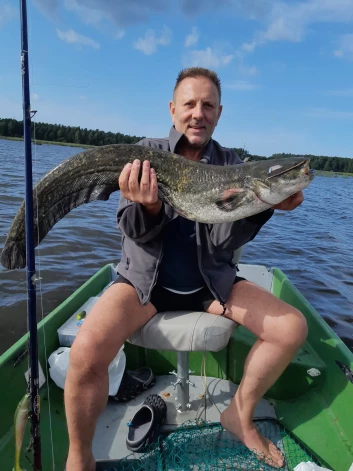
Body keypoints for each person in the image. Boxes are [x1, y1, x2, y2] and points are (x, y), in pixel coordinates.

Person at [64, 67, 307, 471]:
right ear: (173, 109)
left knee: (291, 328)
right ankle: (80, 455)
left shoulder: (232, 165)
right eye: (190, 104)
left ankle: (239, 416)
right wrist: (150, 205)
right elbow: (129, 228)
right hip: (144, 285)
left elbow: (224, 243)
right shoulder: (145, 153)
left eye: (208, 105)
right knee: (86, 352)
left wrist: (262, 208)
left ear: (219, 112)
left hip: (211, 285)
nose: (199, 113)